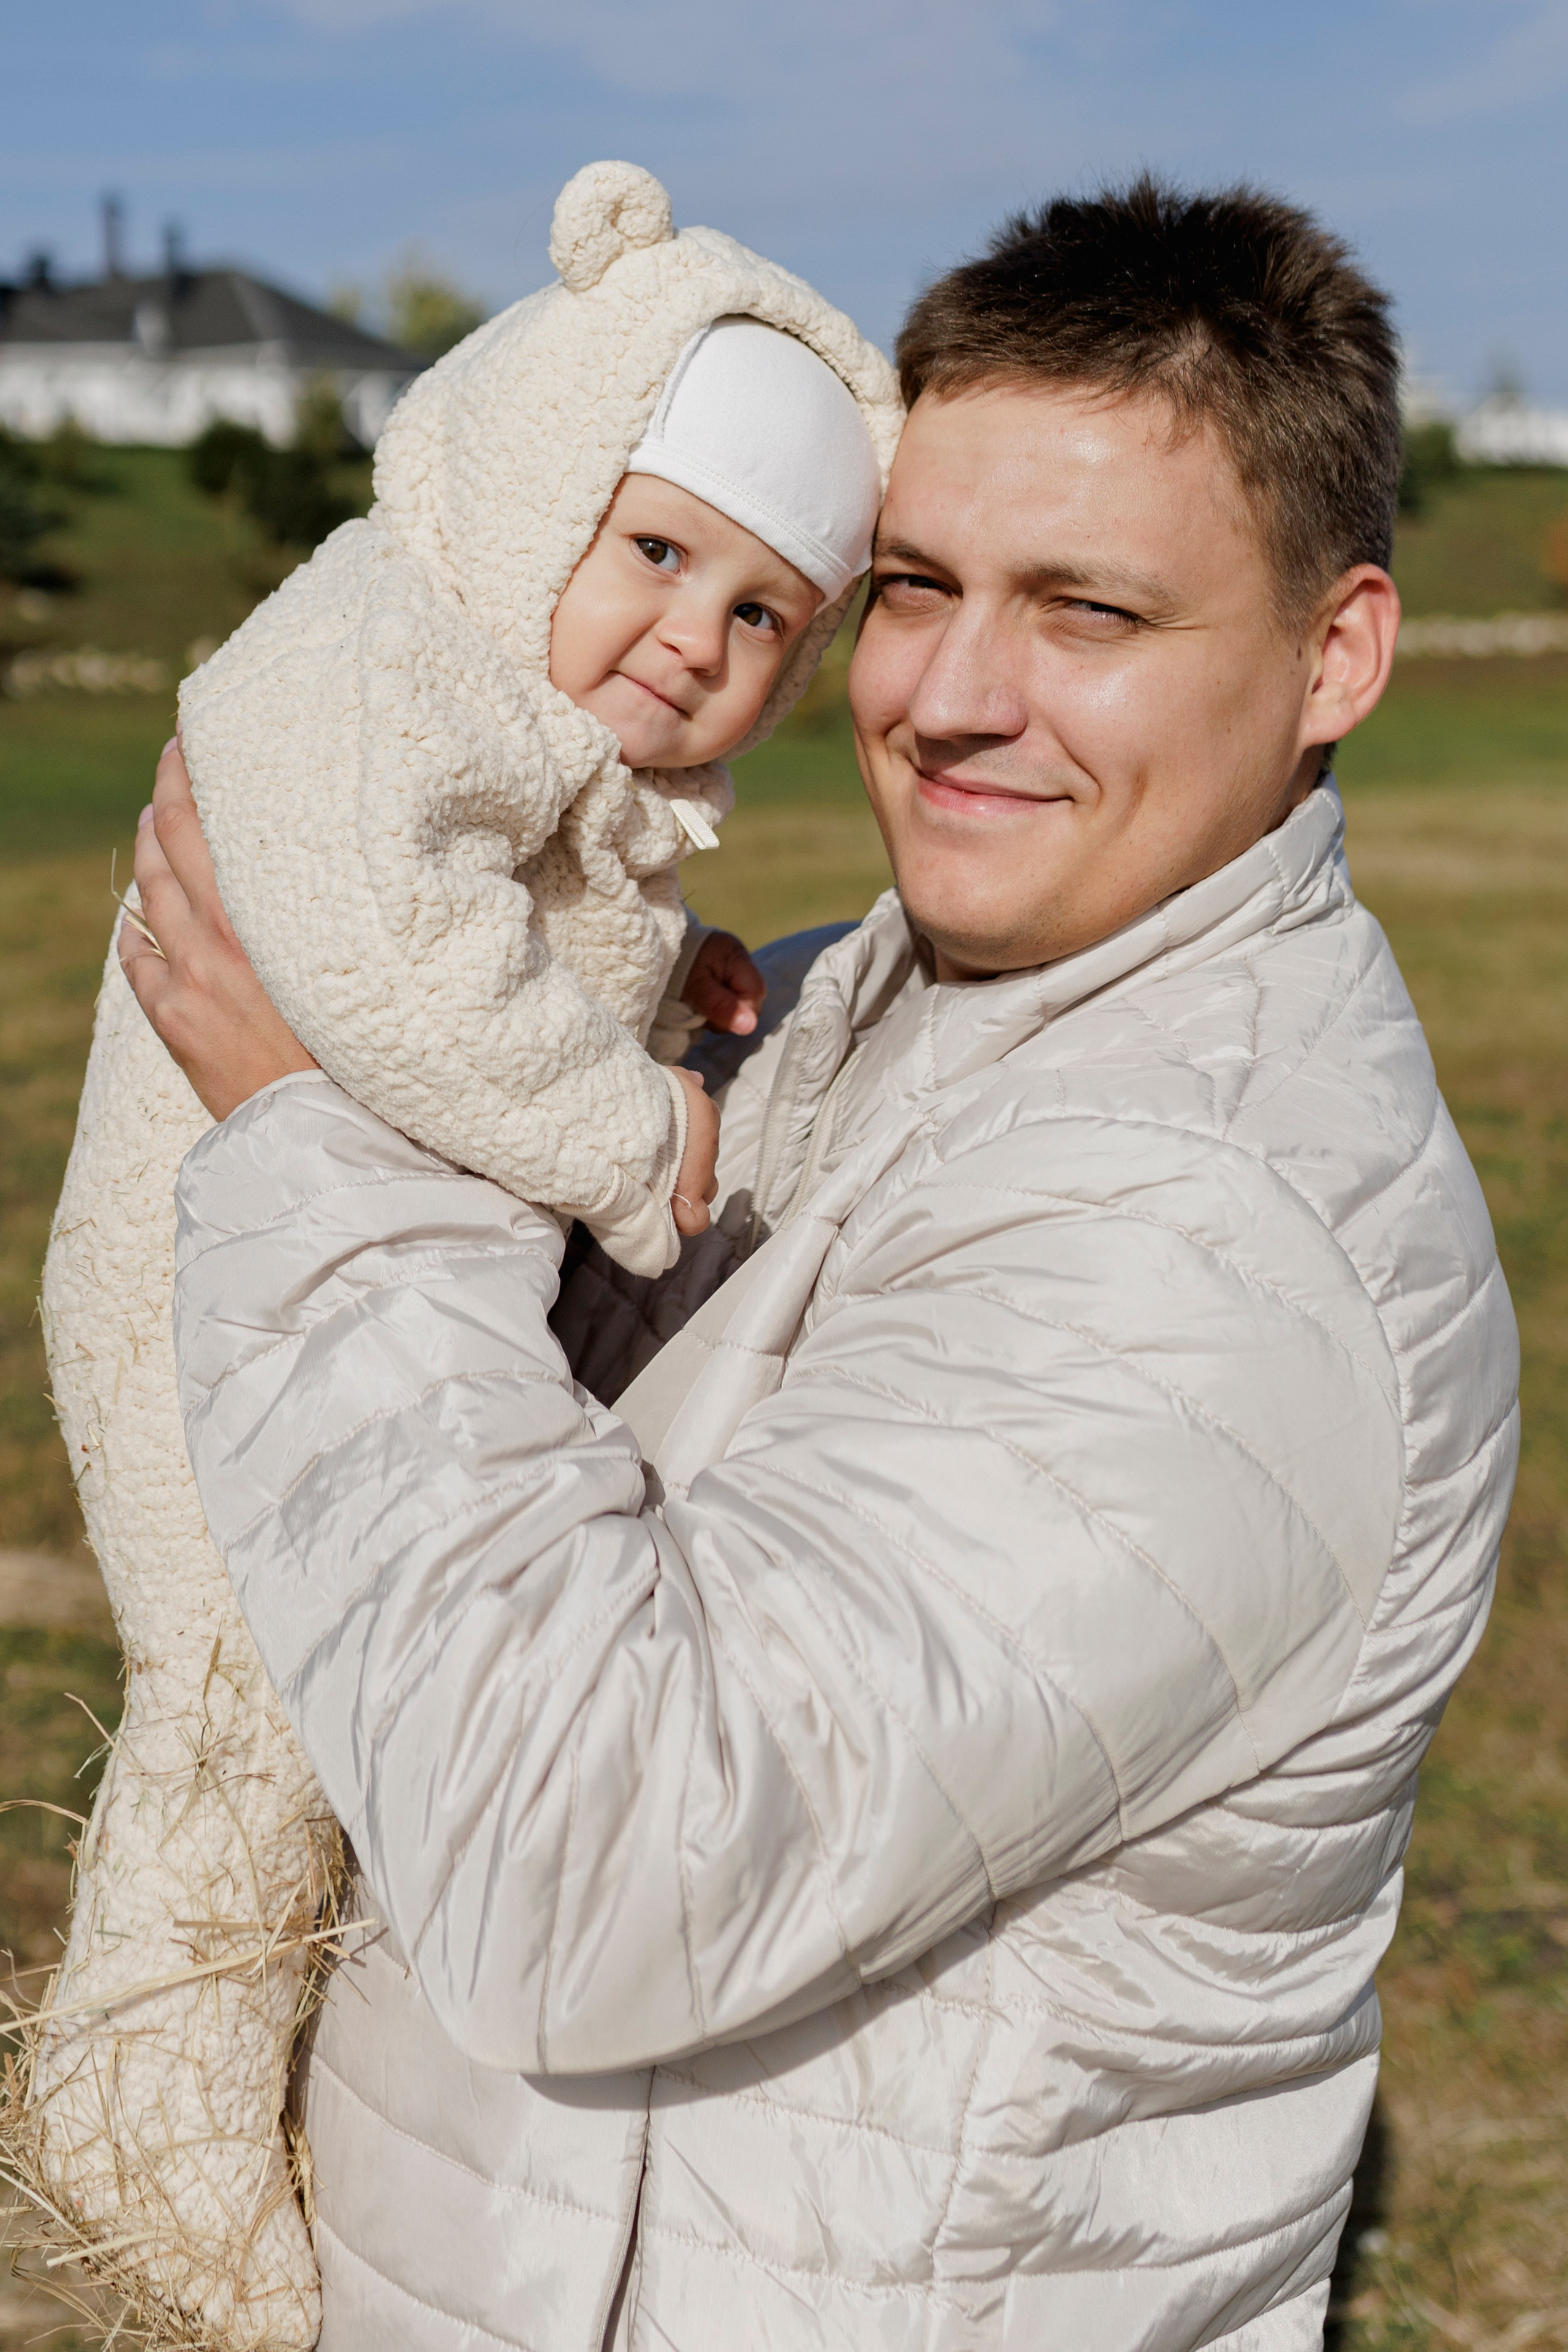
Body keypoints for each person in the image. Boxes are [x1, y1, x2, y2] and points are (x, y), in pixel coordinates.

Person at [127, 176, 1517, 2351]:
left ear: (1334, 652)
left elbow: (597, 1867)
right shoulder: (839, 1014)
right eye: (912, 588)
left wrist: (321, 1135)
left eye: (1090, 615)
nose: (955, 697)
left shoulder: (1215, 1242)